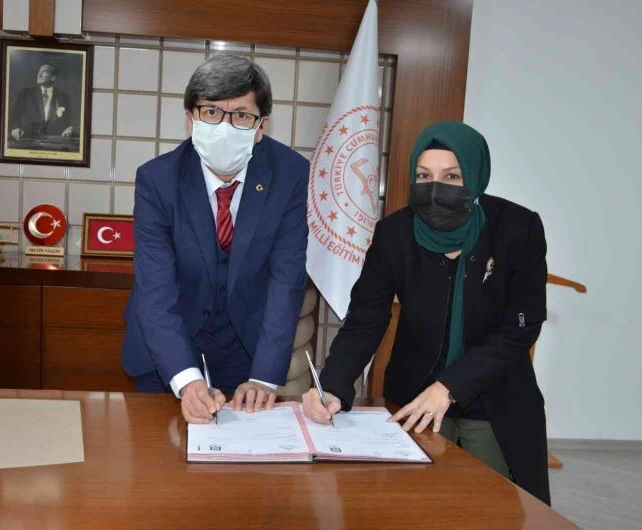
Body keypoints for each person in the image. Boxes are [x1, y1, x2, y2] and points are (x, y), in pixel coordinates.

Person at [301, 121, 551, 505]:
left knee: (490, 508)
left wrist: (448, 388)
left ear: (475, 176)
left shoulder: (518, 229)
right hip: (414, 396)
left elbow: (519, 329)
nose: (435, 188)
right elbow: (366, 318)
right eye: (423, 176)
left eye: (451, 176)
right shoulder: (395, 234)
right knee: (407, 506)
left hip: (495, 398)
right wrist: (333, 385)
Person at [121, 54, 309, 424]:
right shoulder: (158, 181)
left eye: (241, 115)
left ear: (260, 126)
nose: (224, 125)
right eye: (211, 112)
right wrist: (186, 379)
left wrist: (265, 376)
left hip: (246, 354)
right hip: (165, 358)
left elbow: (286, 281)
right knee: (158, 454)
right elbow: (155, 292)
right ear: (190, 118)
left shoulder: (289, 175)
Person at [9, 63, 74, 141]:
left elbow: (67, 122)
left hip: (54, 142)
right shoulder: (26, 93)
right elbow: (15, 115)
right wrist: (15, 128)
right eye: (39, 72)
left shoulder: (63, 97)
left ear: (53, 77)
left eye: (44, 72)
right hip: (27, 140)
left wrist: (68, 129)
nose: (39, 75)